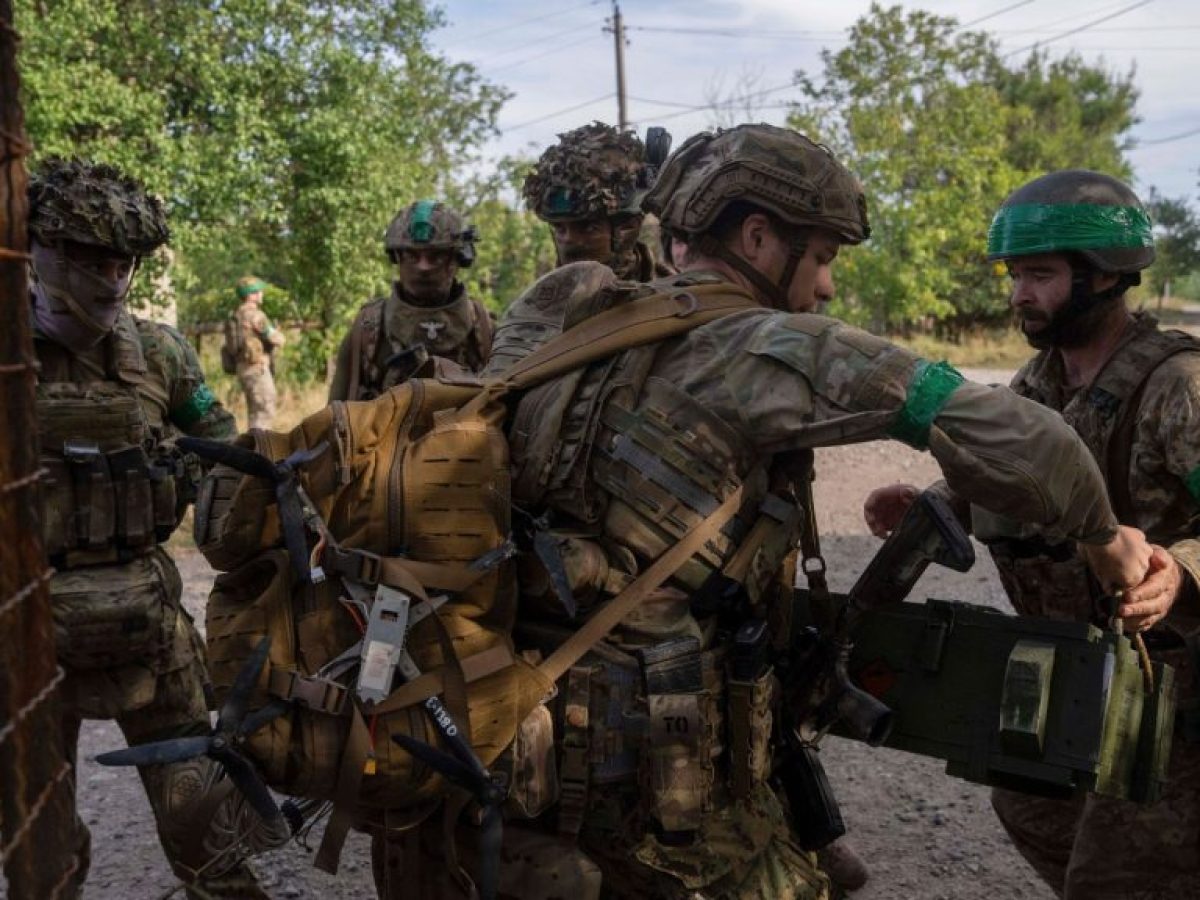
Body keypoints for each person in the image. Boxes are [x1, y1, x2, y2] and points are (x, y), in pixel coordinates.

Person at [372, 125, 1153, 900]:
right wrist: (1103, 538)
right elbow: (1031, 444)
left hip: (497, 733)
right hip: (650, 776)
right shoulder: (763, 347)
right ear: (755, 236)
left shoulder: (553, 313)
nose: (827, 289)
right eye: (820, 259)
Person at [866, 170, 1200, 899]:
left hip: (1171, 690)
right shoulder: (1042, 380)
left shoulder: (1178, 385)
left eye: (1040, 275)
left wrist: (1180, 571)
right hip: (1079, 671)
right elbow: (1011, 468)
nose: (1019, 293)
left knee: (1116, 876)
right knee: (1029, 806)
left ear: (1107, 277)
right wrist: (935, 497)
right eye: (1016, 274)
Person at [27, 158, 283, 898]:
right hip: (27, 634)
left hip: (148, 621)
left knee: (202, 817)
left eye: (123, 264)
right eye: (91, 260)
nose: (110, 281)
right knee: (39, 840)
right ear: (43, 251)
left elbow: (222, 441)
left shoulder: (160, 352)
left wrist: (223, 504)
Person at [482, 121, 673, 376]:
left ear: (628, 228)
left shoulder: (675, 300)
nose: (570, 241)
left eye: (588, 228)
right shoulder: (532, 312)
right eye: (560, 228)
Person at [328, 200, 491, 401]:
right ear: (397, 257)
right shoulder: (368, 328)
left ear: (457, 259)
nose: (423, 267)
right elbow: (335, 416)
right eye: (411, 255)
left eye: (436, 256)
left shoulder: (483, 329)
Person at [229, 275, 285, 429]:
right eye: (259, 291)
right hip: (256, 368)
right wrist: (281, 336)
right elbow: (275, 338)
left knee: (254, 413)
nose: (262, 294)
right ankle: (260, 450)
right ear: (251, 295)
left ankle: (253, 447)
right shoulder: (255, 315)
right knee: (264, 412)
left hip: (243, 368)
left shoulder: (236, 315)